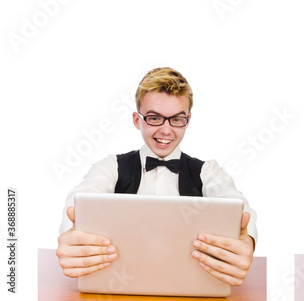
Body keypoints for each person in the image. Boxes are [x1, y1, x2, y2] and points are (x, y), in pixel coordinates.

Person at [56, 67, 258, 286]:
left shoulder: (208, 172)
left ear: (187, 121)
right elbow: (79, 201)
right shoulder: (110, 168)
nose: (165, 130)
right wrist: (72, 238)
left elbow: (241, 209)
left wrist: (247, 241)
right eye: (154, 118)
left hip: (189, 289)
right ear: (137, 120)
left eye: (177, 119)